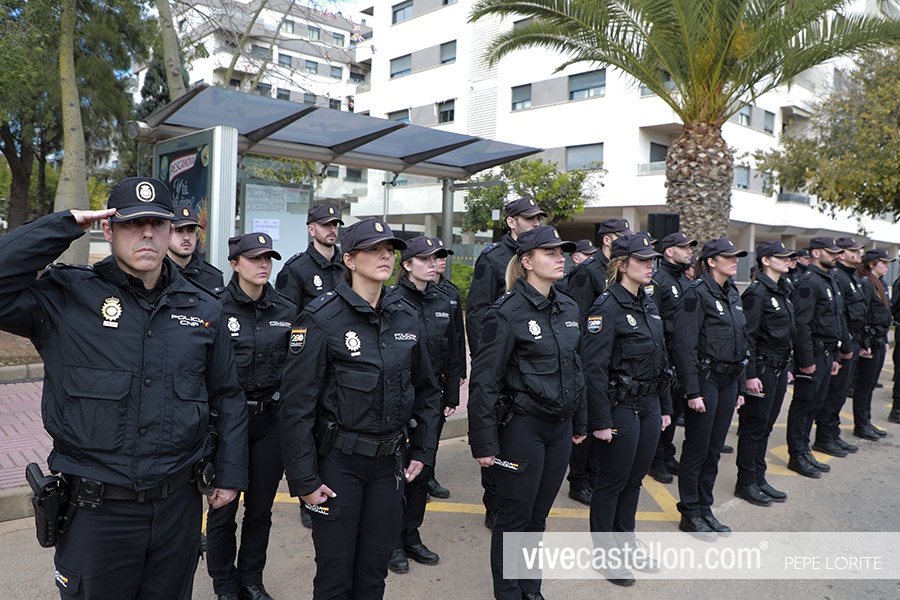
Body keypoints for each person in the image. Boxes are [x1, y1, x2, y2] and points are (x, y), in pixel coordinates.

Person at [0, 177, 248, 599]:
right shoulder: (67, 296)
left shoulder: (203, 307)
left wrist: (231, 472)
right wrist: (64, 225)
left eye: (158, 223)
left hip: (178, 507)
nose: (147, 233)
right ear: (108, 229)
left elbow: (227, 395)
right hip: (98, 514)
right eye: (133, 223)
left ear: (170, 231)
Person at [278, 218, 441, 600]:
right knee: (335, 577)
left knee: (373, 575)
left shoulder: (405, 315)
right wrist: (304, 480)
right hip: (339, 465)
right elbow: (296, 406)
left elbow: (427, 390)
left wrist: (423, 450)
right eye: (373, 249)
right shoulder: (321, 318)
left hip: (388, 467)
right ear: (349, 260)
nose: (385, 256)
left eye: (390, 250)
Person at [468, 225, 586, 600]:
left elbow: (576, 367)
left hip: (559, 429)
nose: (560, 258)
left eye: (561, 252)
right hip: (523, 428)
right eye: (550, 252)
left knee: (538, 517)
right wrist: (483, 442)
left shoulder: (568, 306)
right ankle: (509, 593)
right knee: (513, 519)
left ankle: (531, 591)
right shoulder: (506, 313)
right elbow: (484, 382)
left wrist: (581, 419)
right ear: (528, 262)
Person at [206, 233, 295, 600]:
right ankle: (225, 585)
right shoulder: (214, 308)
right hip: (228, 424)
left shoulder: (286, 310)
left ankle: (251, 581)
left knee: (260, 510)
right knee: (223, 508)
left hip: (270, 423)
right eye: (254, 258)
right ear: (234, 264)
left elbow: (296, 370)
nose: (263, 265)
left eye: (267, 258)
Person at [583, 233, 671, 586]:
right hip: (620, 406)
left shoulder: (647, 301)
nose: (650, 266)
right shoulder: (606, 308)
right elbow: (593, 369)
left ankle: (626, 544)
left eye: (652, 260)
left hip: (649, 403)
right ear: (621, 265)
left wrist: (665, 405)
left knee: (634, 481)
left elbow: (661, 358)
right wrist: (600, 420)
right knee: (612, 482)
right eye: (643, 260)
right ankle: (605, 555)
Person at [466, 196, 545, 528]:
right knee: (497, 431)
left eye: (538, 218)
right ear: (511, 222)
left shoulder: (540, 255)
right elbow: (477, 312)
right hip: (501, 360)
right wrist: (484, 358)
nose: (536, 223)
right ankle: (494, 503)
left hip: (532, 362)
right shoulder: (493, 257)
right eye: (529, 218)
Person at [386, 236, 464, 574]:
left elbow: (454, 348)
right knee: (396, 474)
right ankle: (392, 543)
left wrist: (452, 394)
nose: (433, 264)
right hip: (399, 398)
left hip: (431, 399)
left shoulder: (445, 299)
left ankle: (411, 535)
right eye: (425, 259)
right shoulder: (390, 301)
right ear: (407, 265)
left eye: (437, 258)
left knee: (423, 469)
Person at [672, 238, 748, 540]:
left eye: (737, 256)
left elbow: (741, 340)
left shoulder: (732, 292)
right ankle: (690, 512)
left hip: (729, 379)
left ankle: (705, 507)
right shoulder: (696, 294)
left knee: (714, 449)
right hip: (706, 379)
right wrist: (692, 391)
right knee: (697, 448)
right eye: (729, 256)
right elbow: (684, 345)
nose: (735, 260)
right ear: (712, 261)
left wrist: (740, 385)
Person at [556, 218, 631, 507]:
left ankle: (594, 474)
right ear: (608, 239)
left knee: (605, 422)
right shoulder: (588, 271)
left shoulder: (619, 270)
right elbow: (576, 317)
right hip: (591, 357)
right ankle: (579, 481)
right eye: (622, 236)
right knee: (586, 423)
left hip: (615, 360)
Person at [735, 241, 796, 507]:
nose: (787, 261)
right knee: (753, 427)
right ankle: (746, 482)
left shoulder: (782, 289)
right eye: (781, 257)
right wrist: (750, 374)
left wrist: (789, 367)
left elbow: (787, 333)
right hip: (762, 370)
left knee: (766, 427)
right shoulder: (757, 293)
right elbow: (747, 338)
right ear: (766, 261)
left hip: (779, 368)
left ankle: (759, 478)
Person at [788, 237, 845, 478]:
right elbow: (802, 325)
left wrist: (835, 355)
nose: (836, 256)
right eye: (830, 252)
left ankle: (804, 450)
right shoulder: (809, 282)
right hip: (813, 353)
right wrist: (806, 360)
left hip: (826, 352)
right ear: (815, 253)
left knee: (815, 404)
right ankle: (796, 454)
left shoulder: (827, 279)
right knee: (803, 404)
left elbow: (834, 320)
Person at [647, 231, 697, 485]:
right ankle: (655, 460)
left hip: (682, 355)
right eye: (684, 247)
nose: (690, 251)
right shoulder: (658, 281)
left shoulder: (685, 281)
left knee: (675, 410)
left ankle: (667, 454)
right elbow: (653, 321)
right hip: (665, 354)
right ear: (669, 251)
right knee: (662, 412)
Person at [814, 237, 867, 453]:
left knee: (841, 393)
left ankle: (832, 433)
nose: (859, 254)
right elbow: (839, 316)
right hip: (843, 342)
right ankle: (824, 437)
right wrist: (844, 346)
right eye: (853, 250)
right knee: (833, 393)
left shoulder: (851, 276)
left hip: (851, 340)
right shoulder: (838, 277)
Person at [429, 236, 467, 499]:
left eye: (444, 255)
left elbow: (457, 337)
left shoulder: (451, 292)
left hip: (442, 373)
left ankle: (427, 476)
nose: (441, 260)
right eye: (436, 255)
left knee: (434, 429)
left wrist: (459, 371)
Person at [851, 248, 894, 439]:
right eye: (883, 262)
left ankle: (866, 421)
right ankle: (861, 424)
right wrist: (865, 342)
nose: (887, 266)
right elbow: (864, 314)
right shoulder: (866, 283)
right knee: (864, 384)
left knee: (870, 384)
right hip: (870, 341)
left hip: (879, 339)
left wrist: (883, 339)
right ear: (871, 264)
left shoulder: (880, 283)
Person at [275, 204, 344, 312]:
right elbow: (286, 314)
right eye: (326, 225)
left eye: (335, 225)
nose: (332, 229)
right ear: (311, 230)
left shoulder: (348, 265)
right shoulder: (295, 269)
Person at [167, 205, 225, 294]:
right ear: (168, 233)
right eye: (179, 231)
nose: (186, 237)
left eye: (191, 231)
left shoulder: (212, 276)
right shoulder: (157, 273)